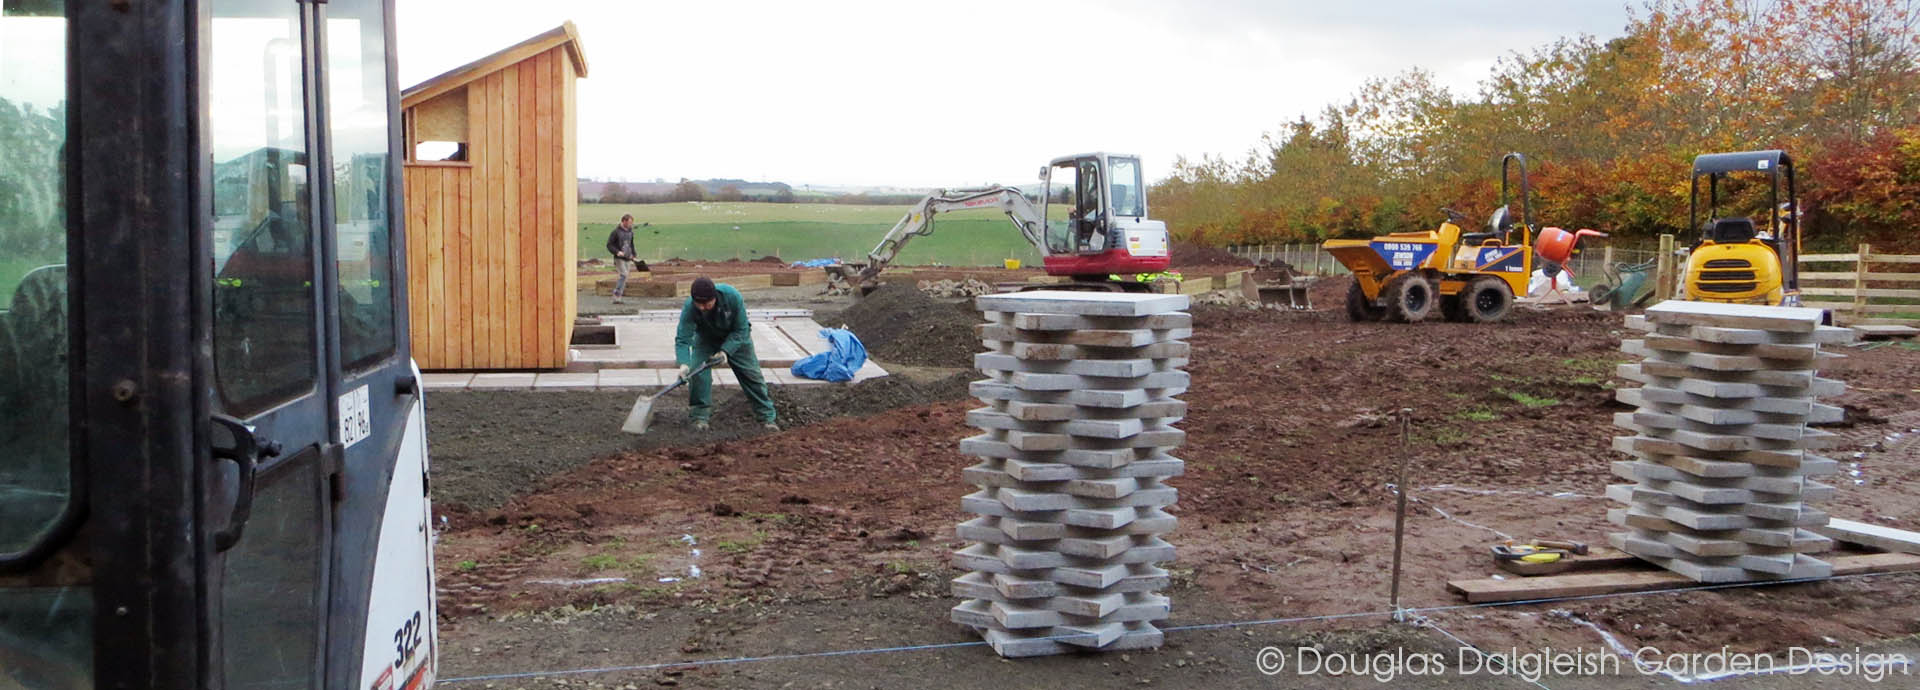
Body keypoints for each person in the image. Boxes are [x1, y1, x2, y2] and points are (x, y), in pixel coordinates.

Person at [675, 277, 778, 431]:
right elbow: (683, 338)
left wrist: (725, 351)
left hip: (736, 338)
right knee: (696, 372)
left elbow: (742, 329)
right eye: (699, 304)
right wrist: (683, 364)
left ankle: (767, 418)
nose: (703, 308)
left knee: (751, 375)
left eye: (707, 304)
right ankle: (699, 417)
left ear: (714, 297)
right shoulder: (690, 306)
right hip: (706, 339)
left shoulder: (732, 297)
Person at [605, 214, 637, 303]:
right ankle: (616, 293)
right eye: (630, 222)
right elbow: (609, 245)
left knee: (625, 277)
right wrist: (617, 252)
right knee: (624, 275)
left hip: (628, 258)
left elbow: (631, 244)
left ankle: (618, 297)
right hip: (619, 258)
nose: (631, 224)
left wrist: (634, 254)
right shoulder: (615, 232)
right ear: (624, 221)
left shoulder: (631, 232)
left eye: (632, 222)